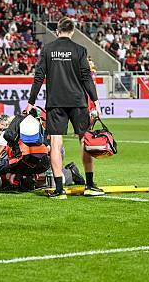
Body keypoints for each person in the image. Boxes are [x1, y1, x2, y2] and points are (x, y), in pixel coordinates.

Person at [26, 17, 102, 199]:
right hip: (78, 101)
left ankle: (59, 190)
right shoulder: (80, 50)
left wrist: (31, 102)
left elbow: (39, 77)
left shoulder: (47, 50)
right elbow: (87, 78)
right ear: (72, 32)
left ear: (57, 31)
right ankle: (90, 185)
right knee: (85, 141)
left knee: (55, 142)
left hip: (56, 102)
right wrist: (96, 102)